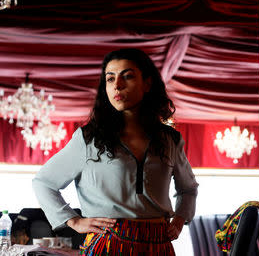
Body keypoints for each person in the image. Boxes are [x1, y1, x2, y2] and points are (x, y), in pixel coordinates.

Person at [33, 48, 199, 255]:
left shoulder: (170, 139)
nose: (117, 85)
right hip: (108, 244)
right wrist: (73, 220)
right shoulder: (88, 138)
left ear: (147, 84)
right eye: (110, 79)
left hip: (159, 244)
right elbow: (43, 183)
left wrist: (181, 218)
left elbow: (189, 189)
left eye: (127, 76)